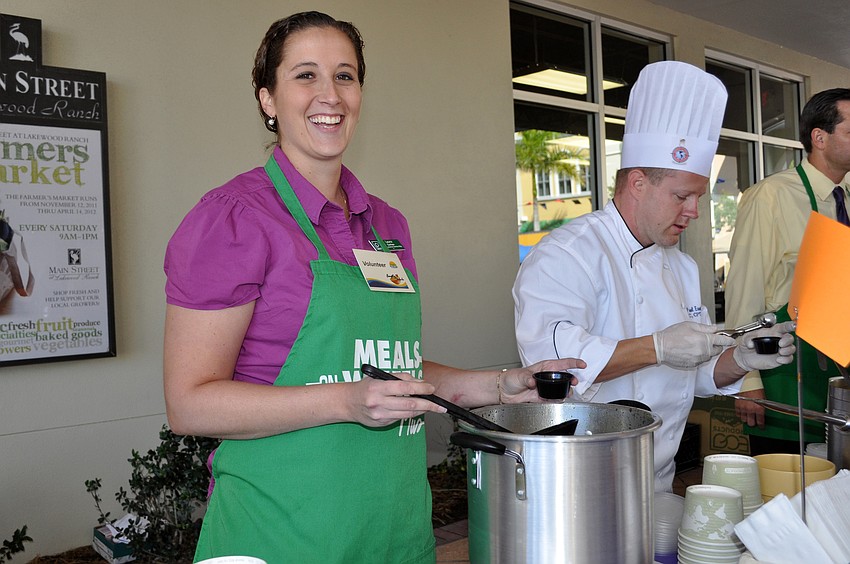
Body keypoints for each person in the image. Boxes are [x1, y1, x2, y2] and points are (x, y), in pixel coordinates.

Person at [162, 11, 584, 563]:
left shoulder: (386, 224)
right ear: (268, 99)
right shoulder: (234, 219)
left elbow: (389, 368)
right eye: (306, 75)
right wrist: (345, 401)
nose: (330, 94)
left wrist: (500, 386)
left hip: (395, 533)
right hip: (281, 537)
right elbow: (190, 404)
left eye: (345, 75)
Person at [512, 61, 796, 493]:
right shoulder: (567, 254)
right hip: (579, 481)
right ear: (638, 183)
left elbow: (692, 375)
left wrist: (741, 359)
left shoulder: (681, 267)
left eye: (698, 197)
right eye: (682, 196)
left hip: (657, 478)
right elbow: (556, 367)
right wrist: (659, 346)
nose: (694, 211)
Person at [725, 88, 850, 455]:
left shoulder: (846, 197)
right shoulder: (771, 196)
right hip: (786, 364)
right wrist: (746, 379)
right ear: (819, 138)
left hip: (840, 367)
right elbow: (744, 288)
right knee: (789, 478)